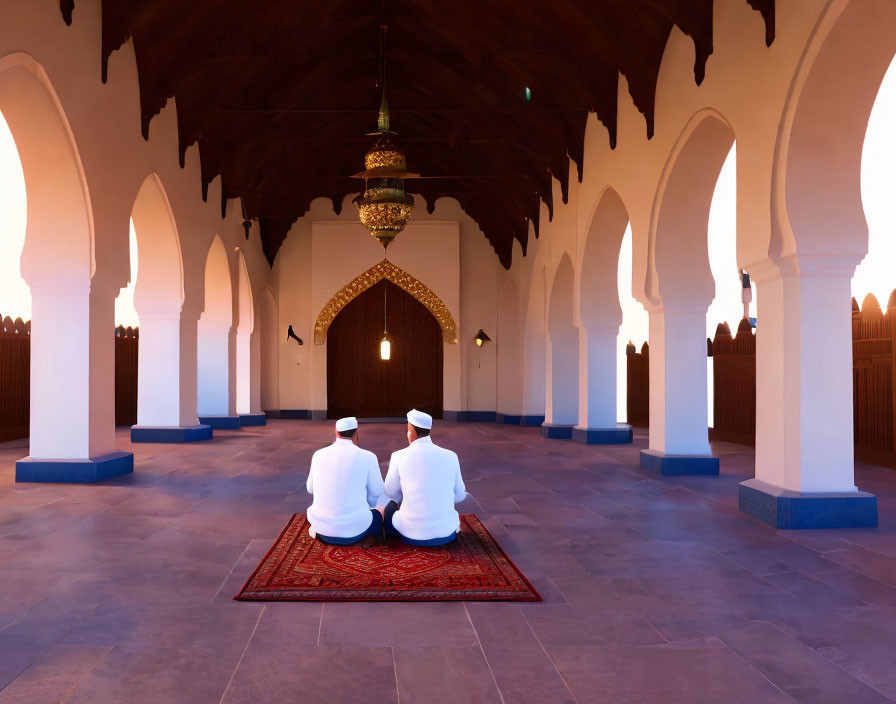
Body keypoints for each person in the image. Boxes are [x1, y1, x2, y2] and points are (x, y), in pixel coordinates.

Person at [383, 409, 466, 546]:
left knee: (388, 508)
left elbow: (390, 493)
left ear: (412, 431)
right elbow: (459, 495)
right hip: (446, 533)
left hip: (409, 532)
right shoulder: (451, 456)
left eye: (407, 430)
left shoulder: (398, 456)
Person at [306, 417, 385, 546]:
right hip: (356, 531)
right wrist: (369, 505)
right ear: (356, 433)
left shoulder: (318, 455)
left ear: (336, 432)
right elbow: (377, 491)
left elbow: (310, 489)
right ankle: (370, 539)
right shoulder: (368, 457)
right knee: (381, 509)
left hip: (322, 530)